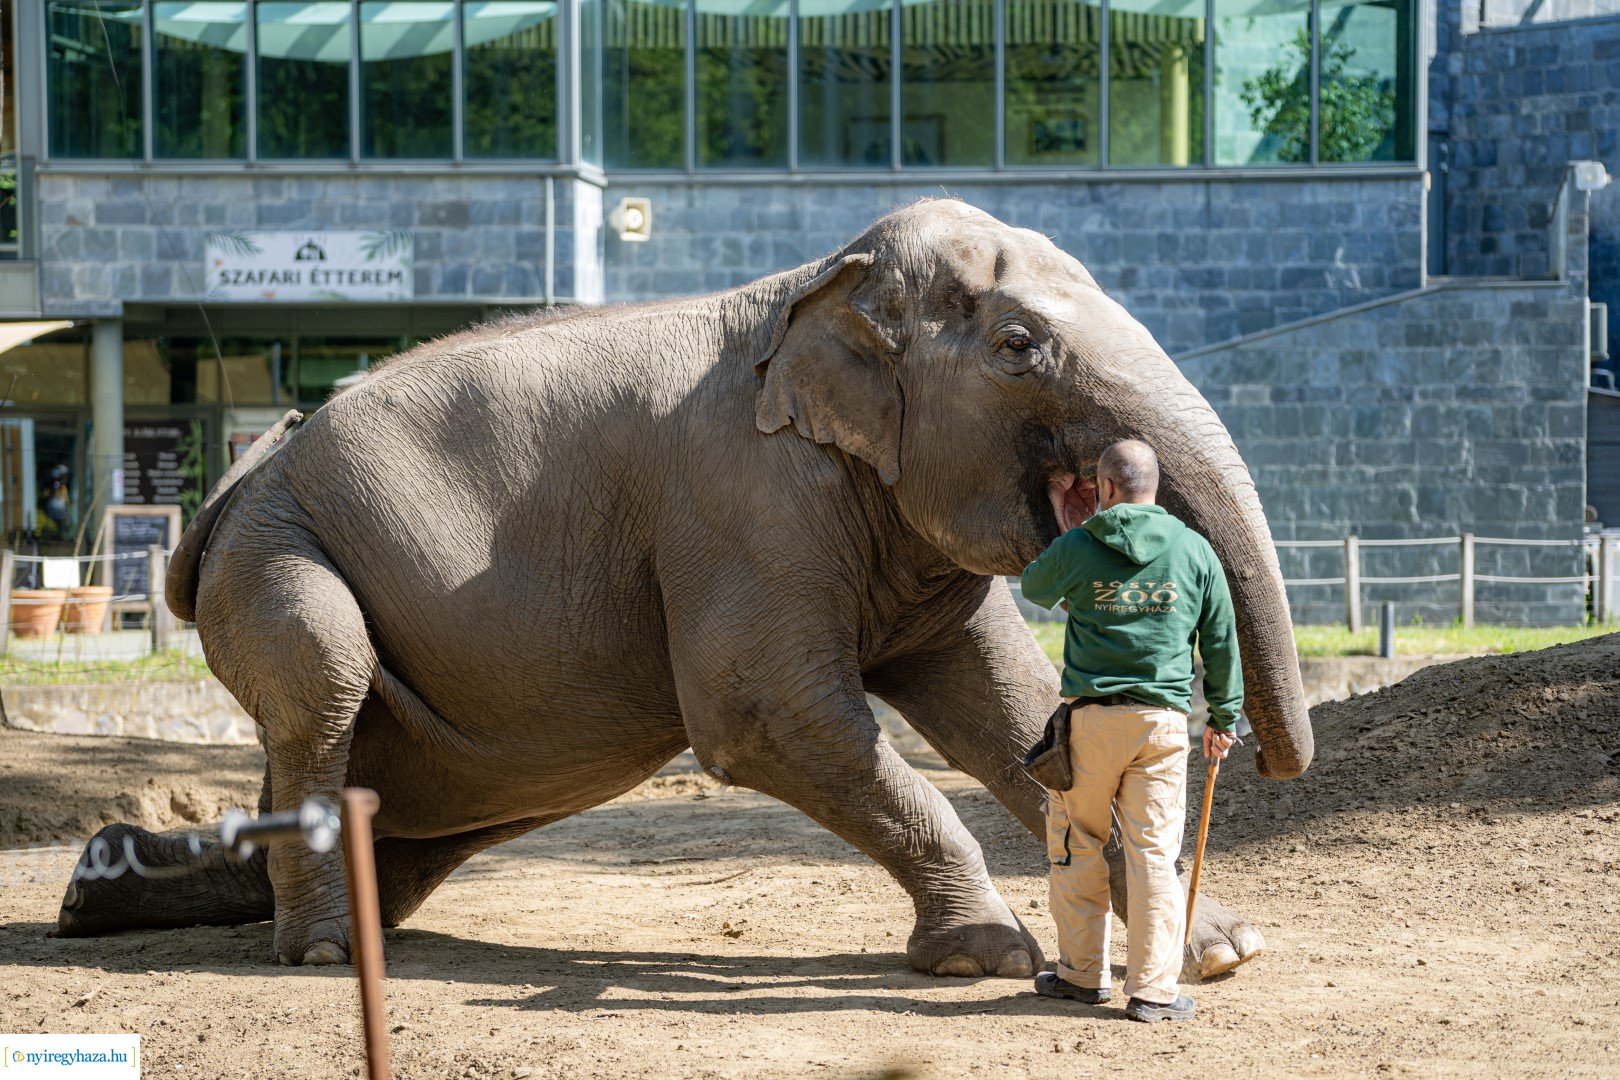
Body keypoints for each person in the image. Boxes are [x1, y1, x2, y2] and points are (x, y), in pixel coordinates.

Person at [1019, 439, 1241, 1024]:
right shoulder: (1194, 550)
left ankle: (1080, 977)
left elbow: (1037, 586)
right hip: (1164, 727)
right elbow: (1219, 642)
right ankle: (1153, 992)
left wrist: (1076, 538)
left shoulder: (1083, 542)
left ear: (1107, 489)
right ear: (1155, 488)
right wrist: (1222, 718)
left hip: (1091, 725)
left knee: (1077, 845)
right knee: (1154, 857)